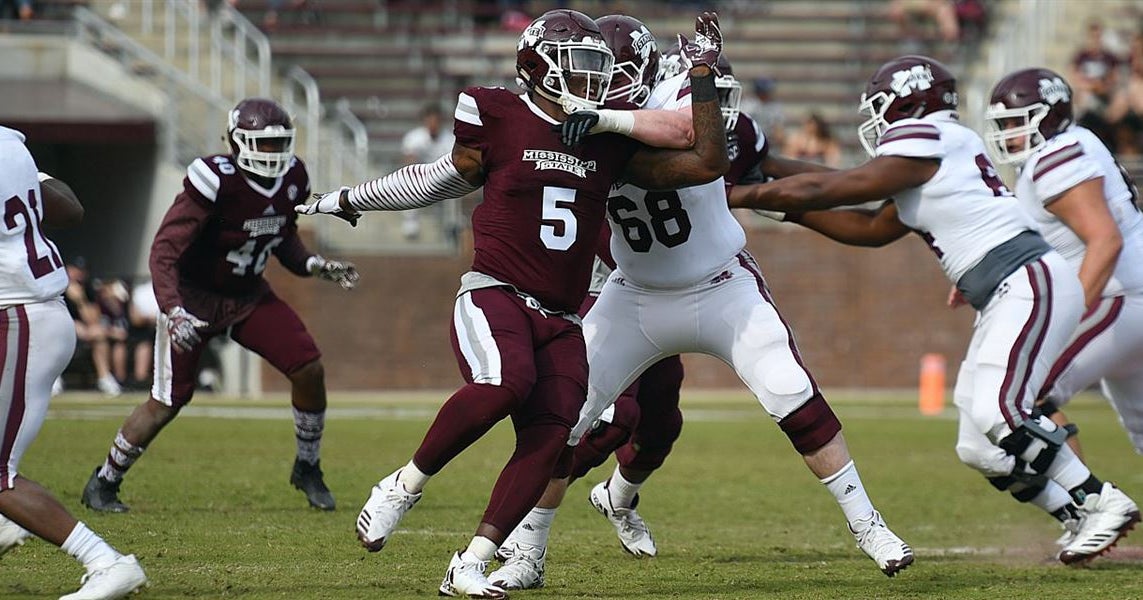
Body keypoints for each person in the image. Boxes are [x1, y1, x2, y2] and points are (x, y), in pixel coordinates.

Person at [296, 9, 729, 598]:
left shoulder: (606, 138)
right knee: (505, 384)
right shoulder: (497, 113)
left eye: (596, 69)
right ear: (536, 67)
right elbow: (438, 179)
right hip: (496, 292)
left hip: (564, 315)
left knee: (552, 435)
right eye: (578, 69)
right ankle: (401, 487)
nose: (591, 82)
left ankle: (471, 562)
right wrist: (352, 198)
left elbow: (702, 155)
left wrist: (700, 72)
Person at [487, 17, 914, 592]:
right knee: (562, 419)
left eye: (614, 74)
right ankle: (528, 552)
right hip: (634, 294)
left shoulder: (673, 94)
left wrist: (696, 74)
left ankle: (870, 526)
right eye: (592, 76)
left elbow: (698, 138)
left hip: (719, 285)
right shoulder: (568, 117)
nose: (600, 86)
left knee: (789, 390)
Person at [728, 54, 1139, 565]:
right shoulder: (929, 154)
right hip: (1004, 290)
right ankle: (1075, 513)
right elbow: (870, 228)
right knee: (980, 445)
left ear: (910, 104)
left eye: (881, 107)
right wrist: (771, 177)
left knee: (1000, 412)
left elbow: (836, 186)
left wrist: (736, 194)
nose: (875, 121)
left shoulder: (930, 138)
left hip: (1026, 280)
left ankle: (1100, 499)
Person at [80, 98, 359, 515]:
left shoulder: (293, 177)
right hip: (194, 299)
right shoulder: (215, 180)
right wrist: (173, 310)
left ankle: (307, 465)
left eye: (280, 144)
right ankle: (104, 481)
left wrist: (314, 265)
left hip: (248, 295)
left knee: (308, 367)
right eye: (264, 145)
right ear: (238, 142)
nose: (274, 154)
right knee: (168, 400)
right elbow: (163, 252)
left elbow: (282, 237)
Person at [983, 68, 1143, 547]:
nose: (1009, 134)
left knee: (1026, 394)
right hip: (1131, 294)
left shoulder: (1054, 156)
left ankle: (1091, 508)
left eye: (1018, 121)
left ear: (1048, 116)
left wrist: (1063, 316)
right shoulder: (1072, 146)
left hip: (1120, 295)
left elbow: (1104, 240)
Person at [0, 127, 147, 599]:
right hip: (32, 311)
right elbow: (68, 206)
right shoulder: (9, 144)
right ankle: (7, 524)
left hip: (19, 318)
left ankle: (105, 562)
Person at [399, 103, 457, 240]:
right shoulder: (414, 137)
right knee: (409, 185)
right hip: (422, 177)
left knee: (456, 193)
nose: (432, 124)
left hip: (444, 178)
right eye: (429, 120)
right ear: (424, 121)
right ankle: (411, 223)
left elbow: (455, 164)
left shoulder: (450, 139)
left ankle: (452, 225)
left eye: (435, 120)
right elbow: (409, 161)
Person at [64, 259, 122, 396]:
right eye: (75, 270)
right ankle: (54, 379)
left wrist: (80, 300)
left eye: (81, 270)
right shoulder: (57, 286)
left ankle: (104, 378)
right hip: (59, 326)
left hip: (84, 330)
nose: (79, 274)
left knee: (99, 333)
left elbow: (93, 320)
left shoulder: (87, 288)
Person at [127, 279, 159, 390]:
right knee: (144, 341)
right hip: (146, 329)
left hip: (169, 328)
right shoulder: (141, 291)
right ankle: (141, 379)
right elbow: (136, 319)